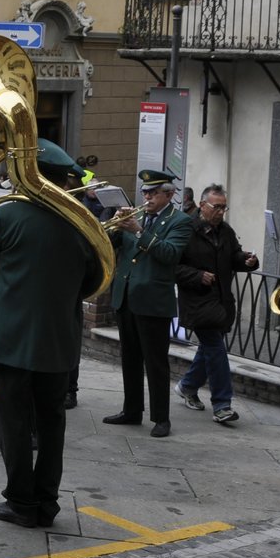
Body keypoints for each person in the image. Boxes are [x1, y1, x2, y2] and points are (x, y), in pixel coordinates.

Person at [0, 142, 104, 531]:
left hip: (12, 337)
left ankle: (21, 501)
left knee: (12, 421)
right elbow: (94, 279)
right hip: (59, 338)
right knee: (51, 423)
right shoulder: (83, 222)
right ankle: (46, 501)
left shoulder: (8, 215)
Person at [103, 169, 193, 437]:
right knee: (129, 358)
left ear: (169, 194)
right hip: (126, 296)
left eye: (153, 192)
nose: (147, 197)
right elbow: (110, 244)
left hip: (153, 301)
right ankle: (131, 410)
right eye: (144, 192)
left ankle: (161, 418)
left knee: (155, 362)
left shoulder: (180, 221)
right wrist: (114, 225)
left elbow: (170, 254)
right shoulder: (136, 215)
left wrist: (139, 231)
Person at [174, 184, 259, 426]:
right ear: (202, 206)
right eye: (217, 207)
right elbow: (172, 265)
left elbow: (234, 257)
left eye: (224, 207)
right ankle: (222, 405)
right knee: (216, 349)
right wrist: (198, 276)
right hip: (197, 301)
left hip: (221, 302)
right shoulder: (185, 229)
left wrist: (248, 261)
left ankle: (187, 386)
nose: (221, 211)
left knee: (210, 348)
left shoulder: (226, 231)